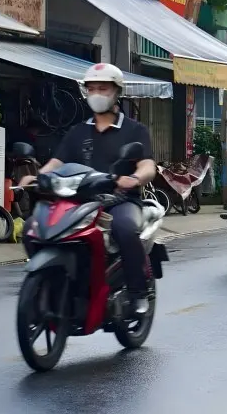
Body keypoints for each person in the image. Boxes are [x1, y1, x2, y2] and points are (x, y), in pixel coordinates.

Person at [19, 63, 156, 315]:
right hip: (79, 200)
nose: (96, 94)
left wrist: (134, 178)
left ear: (116, 92)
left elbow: (148, 165)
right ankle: (55, 282)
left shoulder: (134, 130)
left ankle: (137, 292)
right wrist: (37, 177)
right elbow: (56, 162)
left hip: (120, 200)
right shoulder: (77, 131)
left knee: (125, 229)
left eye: (102, 88)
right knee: (31, 229)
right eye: (91, 88)